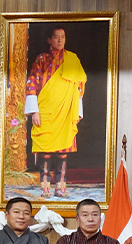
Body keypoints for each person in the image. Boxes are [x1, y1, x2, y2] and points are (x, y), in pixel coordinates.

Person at [25, 26, 87, 198]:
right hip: (45, 110)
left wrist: (77, 112)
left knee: (62, 153)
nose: (60, 40)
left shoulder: (72, 59)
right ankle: (45, 187)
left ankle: (60, 187)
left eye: (63, 37)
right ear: (49, 40)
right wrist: (34, 111)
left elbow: (78, 87)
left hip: (65, 112)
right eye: (56, 37)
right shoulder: (42, 59)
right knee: (45, 152)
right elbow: (32, 83)